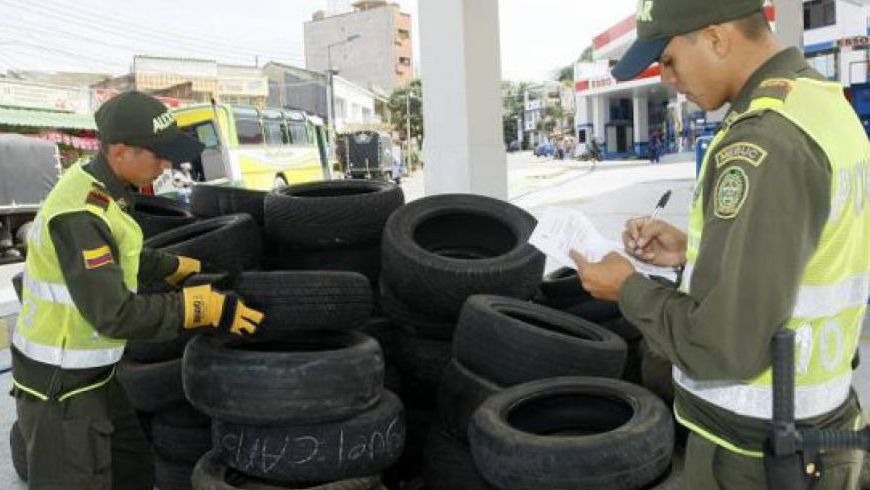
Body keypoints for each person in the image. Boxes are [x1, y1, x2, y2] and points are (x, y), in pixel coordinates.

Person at [570, 0, 869, 488]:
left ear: (715, 37)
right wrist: (695, 251)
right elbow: (811, 247)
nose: (668, 79)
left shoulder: (765, 140)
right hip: (817, 425)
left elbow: (722, 346)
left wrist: (626, 288)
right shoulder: (819, 103)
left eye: (669, 60)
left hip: (756, 455)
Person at [11, 91, 266, 490]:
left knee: (132, 470)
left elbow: (118, 254)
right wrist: (197, 308)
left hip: (95, 374)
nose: (167, 165)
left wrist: (173, 267)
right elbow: (115, 314)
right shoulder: (80, 216)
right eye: (159, 155)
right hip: (60, 386)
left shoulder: (103, 186)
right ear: (120, 151)